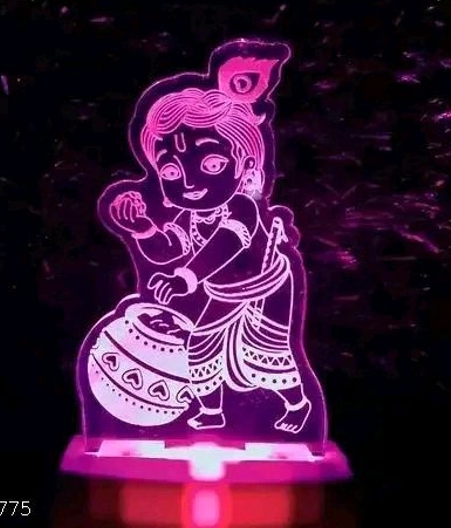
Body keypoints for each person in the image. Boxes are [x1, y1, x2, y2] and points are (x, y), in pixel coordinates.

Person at [105, 48, 313, 434]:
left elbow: (226, 244)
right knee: (200, 344)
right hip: (220, 291)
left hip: (266, 288)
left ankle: (297, 404)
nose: (189, 182)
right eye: (170, 170)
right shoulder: (191, 216)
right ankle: (212, 412)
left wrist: (184, 279)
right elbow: (170, 250)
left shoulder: (243, 209)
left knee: (268, 350)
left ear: (246, 166)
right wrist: (144, 230)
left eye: (211, 164)